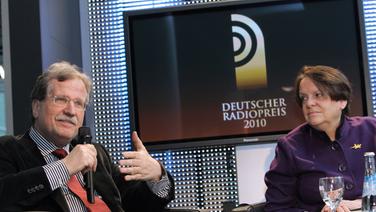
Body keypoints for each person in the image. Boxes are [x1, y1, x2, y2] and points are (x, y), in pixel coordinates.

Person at [0, 61, 174, 211]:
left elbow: (136, 205)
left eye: (78, 104)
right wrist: (65, 167)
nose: (70, 111)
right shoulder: (9, 149)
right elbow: (5, 195)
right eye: (61, 99)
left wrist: (156, 176)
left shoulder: (96, 153)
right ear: (36, 107)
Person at [264, 65, 376, 212]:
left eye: (318, 95)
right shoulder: (290, 146)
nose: (309, 103)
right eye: (304, 98)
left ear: (342, 101)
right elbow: (277, 208)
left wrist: (360, 204)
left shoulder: (371, 129)